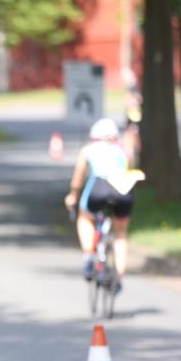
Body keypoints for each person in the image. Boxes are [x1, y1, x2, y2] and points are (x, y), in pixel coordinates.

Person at [63, 118, 135, 293]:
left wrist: (73, 194)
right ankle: (118, 276)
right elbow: (130, 167)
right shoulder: (123, 149)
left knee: (84, 216)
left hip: (98, 188)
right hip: (122, 190)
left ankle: (89, 256)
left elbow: (79, 175)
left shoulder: (88, 149)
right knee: (121, 233)